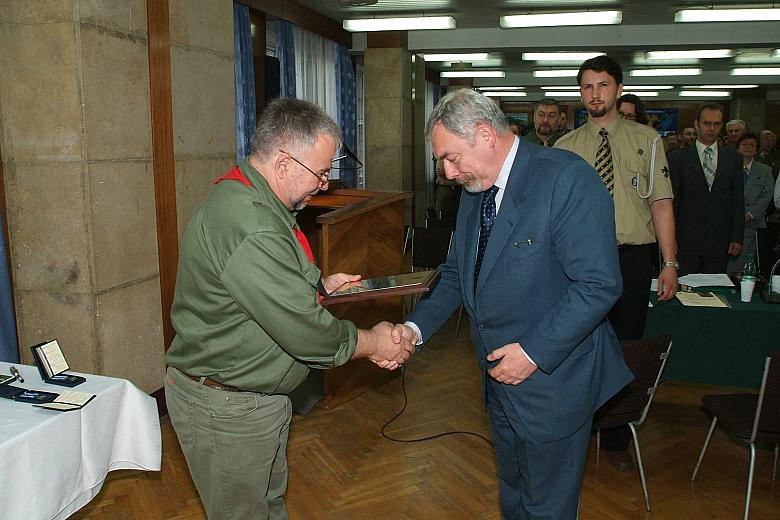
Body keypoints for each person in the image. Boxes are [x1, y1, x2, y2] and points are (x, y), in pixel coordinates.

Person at [164, 98, 414, 520]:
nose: (324, 185)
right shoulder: (251, 223)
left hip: (252, 397)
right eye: (320, 173)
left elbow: (256, 290)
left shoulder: (252, 199)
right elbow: (309, 336)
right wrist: (374, 343)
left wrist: (318, 288)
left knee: (268, 506)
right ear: (283, 163)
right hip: (229, 407)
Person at [393, 88, 632, 519]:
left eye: (451, 158)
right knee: (514, 492)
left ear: (486, 135)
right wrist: (413, 329)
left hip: (553, 380)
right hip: (498, 379)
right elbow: (457, 273)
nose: (448, 173)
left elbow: (598, 284)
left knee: (548, 506)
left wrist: (533, 354)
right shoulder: (476, 188)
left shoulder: (566, 178)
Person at [555, 55, 678, 472]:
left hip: (631, 259)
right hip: (578, 263)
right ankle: (576, 431)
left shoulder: (648, 140)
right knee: (575, 348)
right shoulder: (565, 148)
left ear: (619, 89)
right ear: (580, 93)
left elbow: (661, 204)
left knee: (625, 349)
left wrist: (670, 262)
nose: (595, 94)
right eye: (587, 87)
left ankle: (615, 438)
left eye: (603, 85)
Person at [668, 103, 744, 274]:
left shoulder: (733, 158)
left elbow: (738, 200)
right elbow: (674, 201)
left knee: (715, 285)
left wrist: (737, 236)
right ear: (697, 124)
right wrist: (670, 237)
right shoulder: (677, 158)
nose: (711, 129)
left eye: (716, 124)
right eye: (707, 123)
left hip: (720, 238)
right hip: (687, 237)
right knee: (686, 285)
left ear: (721, 125)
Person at [726, 132, 775, 273]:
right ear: (738, 147)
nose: (748, 147)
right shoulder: (728, 167)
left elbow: (767, 195)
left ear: (756, 149)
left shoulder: (765, 170)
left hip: (751, 224)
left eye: (752, 145)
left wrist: (750, 214)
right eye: (745, 144)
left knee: (742, 264)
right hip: (728, 221)